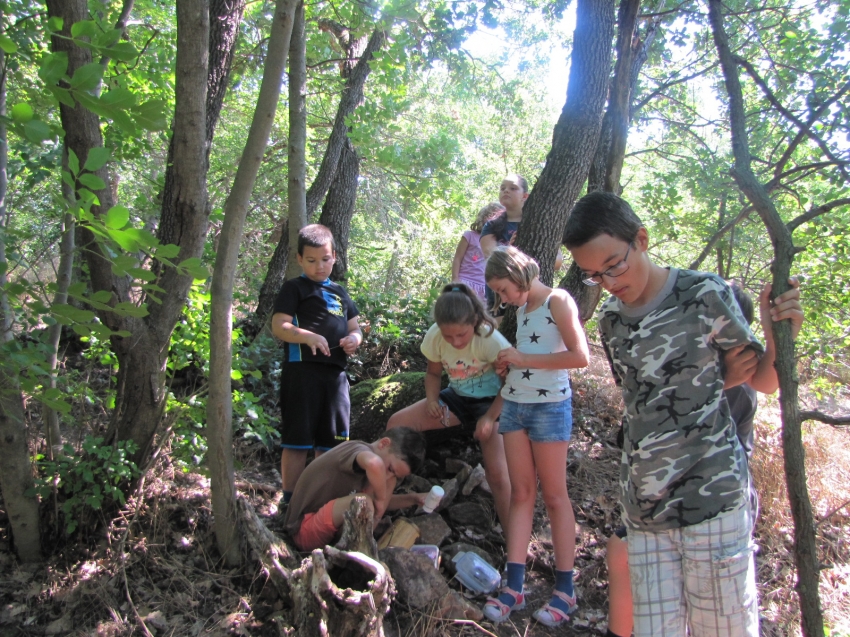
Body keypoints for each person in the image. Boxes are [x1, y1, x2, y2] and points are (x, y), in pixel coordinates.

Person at [563, 190, 794, 637]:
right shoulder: (611, 320)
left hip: (713, 501)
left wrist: (775, 329)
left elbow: (763, 381)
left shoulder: (704, 295)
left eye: (614, 265)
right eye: (594, 275)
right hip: (645, 512)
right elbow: (643, 402)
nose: (608, 282)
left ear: (642, 239)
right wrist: (712, 381)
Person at [603, 279, 804, 637]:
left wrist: (770, 344)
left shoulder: (740, 389)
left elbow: (765, 382)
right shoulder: (683, 374)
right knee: (621, 552)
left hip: (713, 502)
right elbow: (630, 434)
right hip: (659, 502)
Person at [481, 246, 589, 627]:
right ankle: (514, 585)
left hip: (549, 408)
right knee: (521, 493)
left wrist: (523, 359)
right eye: (498, 293)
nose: (504, 299)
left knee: (555, 495)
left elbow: (580, 356)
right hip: (515, 406)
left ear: (521, 273)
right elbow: (528, 361)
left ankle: (565, 590)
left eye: (505, 289)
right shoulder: (523, 310)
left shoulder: (558, 300)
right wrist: (508, 364)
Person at [386, 283, 512, 531]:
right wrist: (433, 400)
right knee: (396, 425)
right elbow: (433, 374)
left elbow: (511, 385)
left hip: (491, 403)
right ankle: (383, 496)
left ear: (474, 321)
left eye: (461, 335)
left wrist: (489, 418)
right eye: (448, 336)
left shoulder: (489, 339)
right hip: (456, 397)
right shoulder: (435, 335)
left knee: (497, 473)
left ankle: (513, 538)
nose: (454, 342)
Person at [271, 224, 363, 506]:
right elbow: (279, 325)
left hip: (335, 376)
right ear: (300, 259)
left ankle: (319, 500)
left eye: (325, 259)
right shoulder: (294, 288)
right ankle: (290, 500)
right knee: (297, 439)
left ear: (334, 256)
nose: (319, 266)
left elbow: (356, 328)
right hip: (302, 372)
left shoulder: (340, 292)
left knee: (331, 442)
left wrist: (353, 340)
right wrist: (307, 336)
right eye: (311, 261)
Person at [283, 427, 428, 551]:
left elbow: (382, 500)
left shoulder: (380, 474)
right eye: (390, 468)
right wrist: (380, 499)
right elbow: (374, 465)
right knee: (364, 503)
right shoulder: (358, 450)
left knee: (381, 490)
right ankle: (356, 550)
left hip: (328, 529)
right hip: (303, 529)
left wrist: (413, 499)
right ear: (384, 443)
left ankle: (359, 549)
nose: (388, 475)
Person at [452, 202, 505, 302]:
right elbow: (457, 258)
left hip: (484, 286)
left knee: (479, 315)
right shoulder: (469, 235)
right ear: (485, 217)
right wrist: (455, 279)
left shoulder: (498, 242)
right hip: (465, 281)